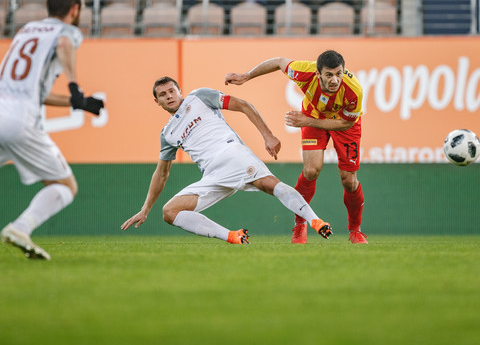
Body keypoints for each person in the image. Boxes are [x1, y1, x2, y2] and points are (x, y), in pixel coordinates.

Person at [120, 77, 332, 244]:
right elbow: (162, 173)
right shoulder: (167, 134)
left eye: (172, 91)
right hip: (212, 174)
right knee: (170, 212)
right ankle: (232, 237)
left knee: (269, 184)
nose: (169, 96)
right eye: (162, 95)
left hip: (231, 153)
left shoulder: (199, 97)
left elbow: (244, 105)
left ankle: (315, 220)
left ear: (180, 91)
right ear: (157, 102)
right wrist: (145, 209)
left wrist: (267, 135)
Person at [0, 0, 105, 260]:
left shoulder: (26, 31)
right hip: (20, 120)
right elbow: (64, 44)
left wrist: (77, 103)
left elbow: (37, 91)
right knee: (65, 186)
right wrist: (74, 86)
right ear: (74, 9)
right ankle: (20, 228)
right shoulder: (68, 32)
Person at [224, 50, 367, 244]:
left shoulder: (354, 90)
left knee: (349, 181)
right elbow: (278, 62)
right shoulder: (304, 72)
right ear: (318, 74)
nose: (335, 80)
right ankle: (300, 225)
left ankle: (355, 231)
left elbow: (345, 124)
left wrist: (307, 121)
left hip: (342, 124)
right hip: (312, 116)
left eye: (339, 73)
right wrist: (247, 76)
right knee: (310, 171)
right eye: (329, 75)